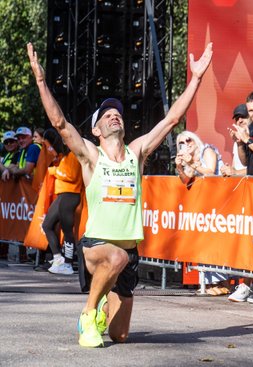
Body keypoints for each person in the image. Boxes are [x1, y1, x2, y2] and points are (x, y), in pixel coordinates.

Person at [28, 41, 213, 348]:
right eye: (107, 115)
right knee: (114, 256)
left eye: (118, 114)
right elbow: (60, 123)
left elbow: (170, 120)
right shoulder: (91, 155)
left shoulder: (136, 152)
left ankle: (102, 309)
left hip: (128, 255)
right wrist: (40, 80)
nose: (115, 116)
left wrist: (196, 79)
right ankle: (88, 313)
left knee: (120, 335)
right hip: (97, 247)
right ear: (96, 130)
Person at [175, 131, 230, 296]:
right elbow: (187, 180)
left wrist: (192, 163)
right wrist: (179, 167)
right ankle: (211, 283)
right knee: (206, 244)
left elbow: (212, 173)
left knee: (217, 243)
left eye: (189, 140)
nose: (187, 143)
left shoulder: (207, 151)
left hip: (220, 203)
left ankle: (223, 283)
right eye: (182, 143)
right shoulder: (190, 160)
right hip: (205, 207)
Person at [41, 128, 83, 276]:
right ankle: (58, 258)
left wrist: (54, 171)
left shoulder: (72, 155)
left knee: (67, 230)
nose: (49, 149)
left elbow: (71, 176)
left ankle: (68, 264)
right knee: (47, 225)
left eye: (49, 145)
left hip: (70, 195)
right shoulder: (64, 157)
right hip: (63, 195)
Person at [220, 104, 250, 177]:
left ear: (251, 117)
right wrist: (227, 169)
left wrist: (236, 172)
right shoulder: (237, 140)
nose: (240, 121)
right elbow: (235, 166)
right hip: (239, 183)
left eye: (243, 117)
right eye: (237, 118)